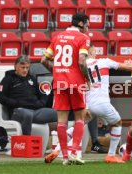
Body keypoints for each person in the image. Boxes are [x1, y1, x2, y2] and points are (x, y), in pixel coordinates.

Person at [44, 44, 132, 164]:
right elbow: (125, 66)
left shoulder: (79, 67)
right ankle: (111, 155)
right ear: (91, 53)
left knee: (77, 126)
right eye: (95, 51)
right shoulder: (104, 62)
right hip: (102, 103)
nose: (96, 54)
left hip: (87, 103)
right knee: (117, 123)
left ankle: (57, 150)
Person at [41, 13, 91, 165]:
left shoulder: (57, 37)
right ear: (81, 24)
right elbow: (82, 62)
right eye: (87, 25)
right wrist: (87, 78)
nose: (88, 28)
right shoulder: (83, 38)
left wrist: (57, 71)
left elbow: (44, 60)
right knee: (80, 118)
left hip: (60, 82)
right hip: (76, 82)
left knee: (61, 122)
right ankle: (74, 152)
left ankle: (64, 157)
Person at [0, 56, 57, 135]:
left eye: (27, 68)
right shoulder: (8, 79)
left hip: (35, 111)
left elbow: (43, 93)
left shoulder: (31, 78)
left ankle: (59, 142)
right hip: (18, 111)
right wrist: (16, 103)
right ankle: (25, 141)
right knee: (27, 114)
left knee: (59, 114)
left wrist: (41, 103)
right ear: (16, 67)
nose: (25, 70)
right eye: (22, 67)